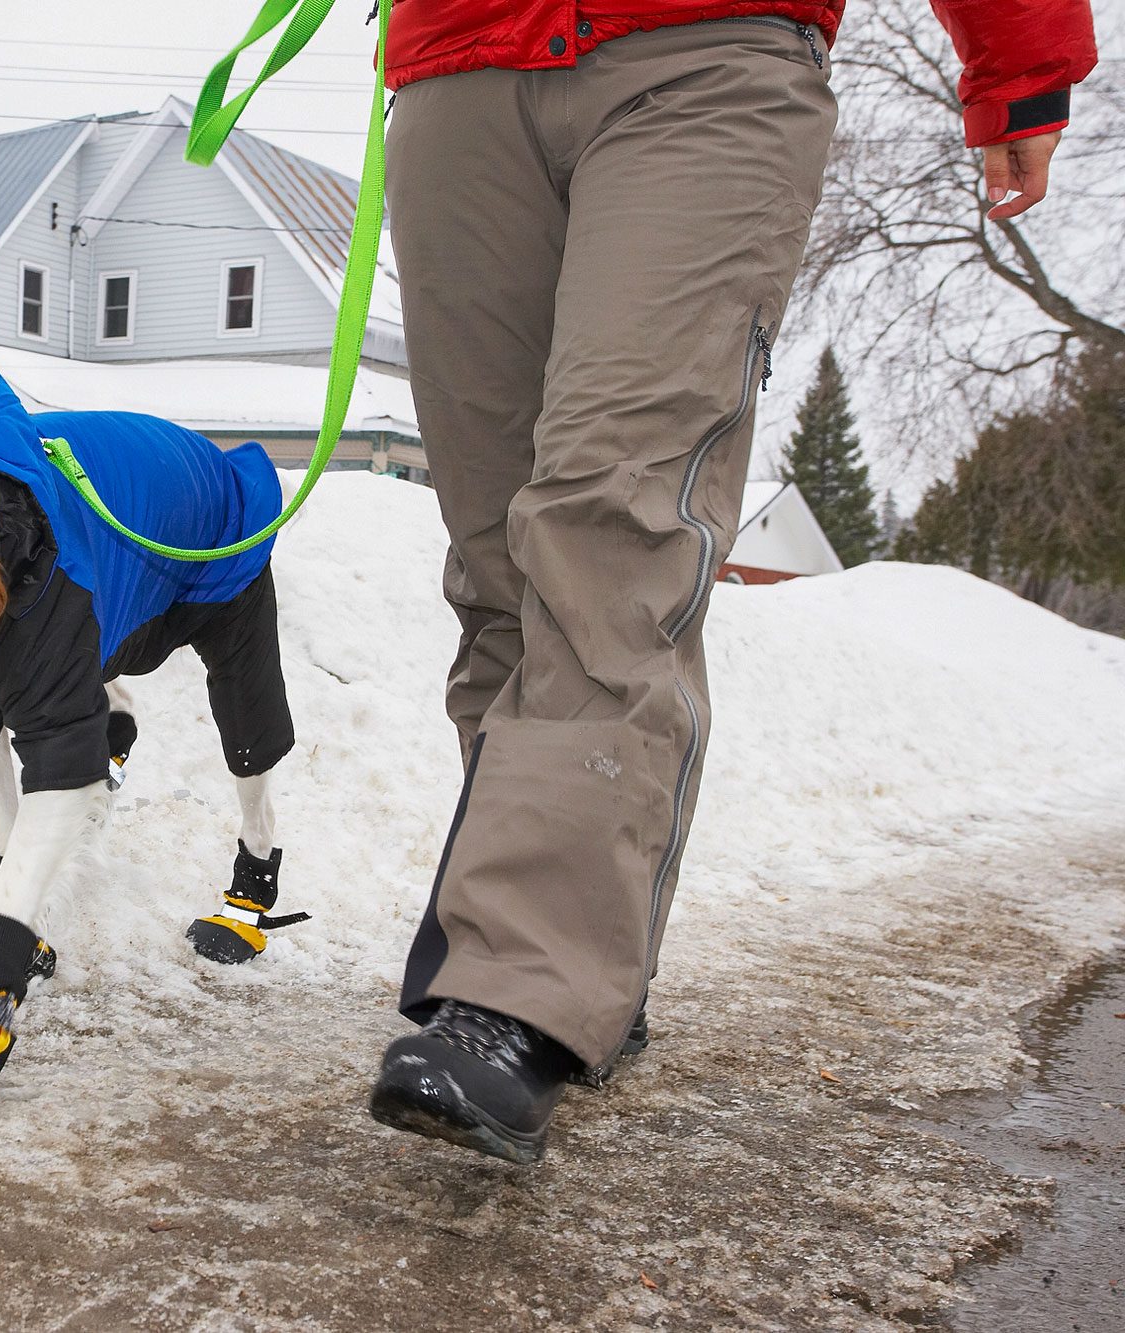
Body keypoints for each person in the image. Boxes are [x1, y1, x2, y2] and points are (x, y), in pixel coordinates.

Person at [365, 0, 1098, 1164]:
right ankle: (558, 953)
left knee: (608, 520)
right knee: (501, 552)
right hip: (459, 68)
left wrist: (1020, 60)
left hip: (703, 58)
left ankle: (522, 986)